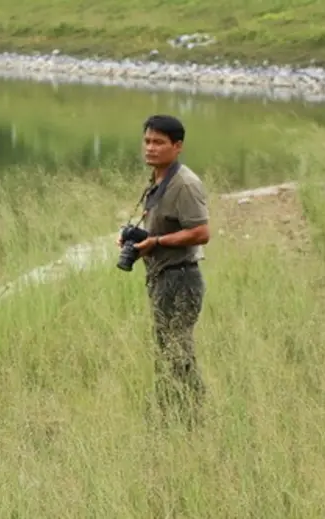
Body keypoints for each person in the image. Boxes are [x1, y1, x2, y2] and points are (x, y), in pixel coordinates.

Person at [118, 114, 211, 424]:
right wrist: (137, 239)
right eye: (147, 141)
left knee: (178, 354)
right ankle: (173, 414)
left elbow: (201, 232)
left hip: (181, 279)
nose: (150, 148)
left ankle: (191, 417)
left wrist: (155, 241)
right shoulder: (158, 180)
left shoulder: (185, 183)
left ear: (178, 146)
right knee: (166, 351)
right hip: (162, 278)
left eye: (159, 142)